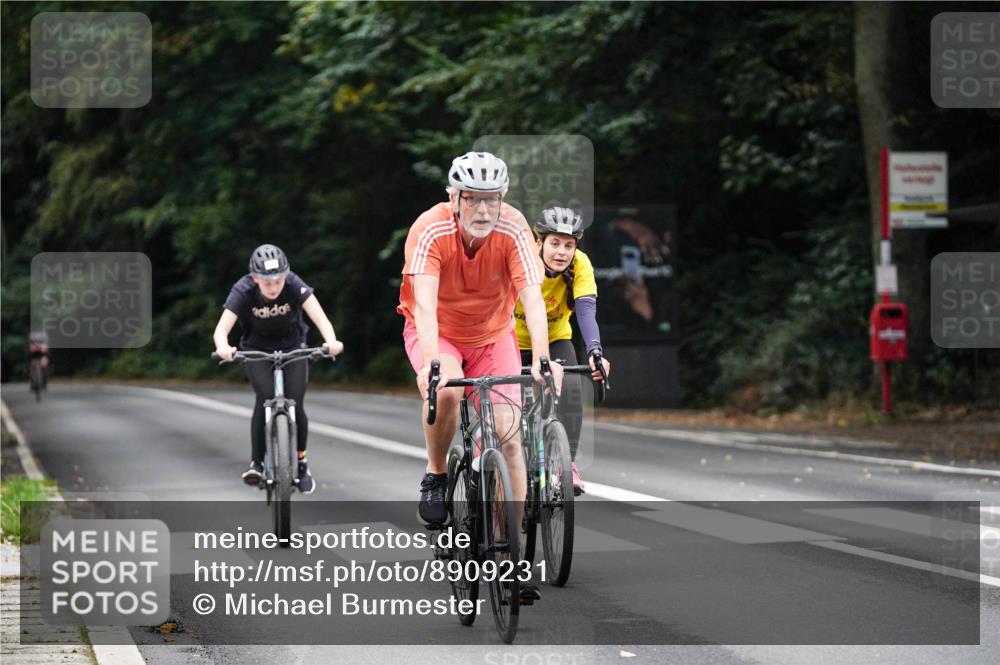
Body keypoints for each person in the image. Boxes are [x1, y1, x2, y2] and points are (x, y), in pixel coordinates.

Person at [397, 151, 564, 529]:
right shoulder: (430, 229)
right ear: (454, 197)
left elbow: (533, 299)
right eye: (473, 198)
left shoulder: (514, 228)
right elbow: (423, 306)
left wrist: (541, 358)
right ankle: (436, 473)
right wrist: (431, 366)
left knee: (509, 440)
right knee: (445, 391)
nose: (484, 209)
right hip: (439, 333)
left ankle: (511, 562)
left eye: (493, 198)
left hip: (493, 335)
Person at [212, 244, 344, 494]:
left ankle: (302, 463)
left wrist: (331, 341)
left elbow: (320, 317)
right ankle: (257, 464)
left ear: (286, 275)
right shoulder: (243, 290)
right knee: (264, 398)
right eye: (266, 282)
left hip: (293, 347)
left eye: (278, 281)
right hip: (256, 350)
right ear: (255, 279)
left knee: (296, 402)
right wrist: (223, 347)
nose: (273, 287)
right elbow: (221, 330)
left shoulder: (293, 283)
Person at [514, 207, 611, 495]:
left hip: (556, 339)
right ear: (539, 242)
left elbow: (585, 312)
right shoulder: (521, 261)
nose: (562, 252)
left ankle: (566, 464)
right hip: (511, 340)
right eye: (555, 243)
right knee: (508, 405)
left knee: (571, 387)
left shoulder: (580, 265)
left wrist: (595, 352)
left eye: (569, 245)